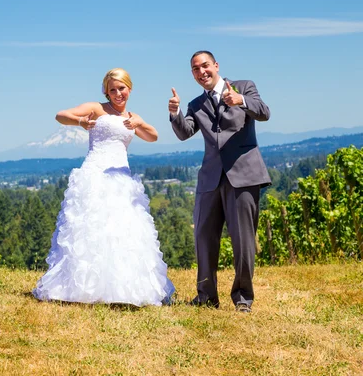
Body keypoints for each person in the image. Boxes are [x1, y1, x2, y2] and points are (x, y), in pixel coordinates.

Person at [33, 68, 175, 307]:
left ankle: (121, 288)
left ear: (129, 88)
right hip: (95, 175)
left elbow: (153, 136)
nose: (118, 93)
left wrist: (139, 122)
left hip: (121, 177)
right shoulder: (97, 108)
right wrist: (80, 121)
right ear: (106, 92)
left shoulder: (132, 116)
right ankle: (82, 287)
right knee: (91, 229)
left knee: (121, 231)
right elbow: (60, 115)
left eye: (121, 88)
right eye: (112, 89)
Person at [168, 51, 271, 313]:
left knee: (243, 241)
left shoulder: (244, 87)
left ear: (216, 66)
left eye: (205, 66)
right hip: (209, 180)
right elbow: (184, 133)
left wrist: (241, 100)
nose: (201, 72)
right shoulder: (195, 104)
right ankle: (206, 297)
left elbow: (264, 112)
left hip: (243, 176)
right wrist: (176, 112)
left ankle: (243, 298)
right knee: (203, 237)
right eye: (195, 69)